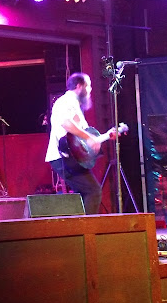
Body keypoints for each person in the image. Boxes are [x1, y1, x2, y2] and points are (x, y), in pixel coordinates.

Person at [44, 72, 117, 215]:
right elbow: (67, 124)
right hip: (63, 159)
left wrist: (105, 136)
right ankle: (88, 232)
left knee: (85, 193)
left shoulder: (75, 105)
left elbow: (82, 141)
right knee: (93, 191)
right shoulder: (66, 101)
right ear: (78, 86)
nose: (90, 90)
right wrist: (89, 138)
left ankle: (81, 231)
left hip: (70, 159)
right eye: (88, 86)